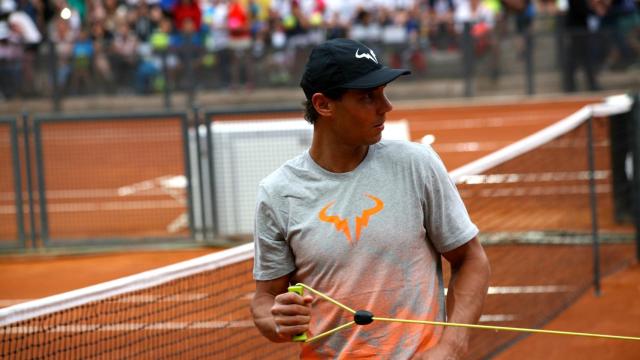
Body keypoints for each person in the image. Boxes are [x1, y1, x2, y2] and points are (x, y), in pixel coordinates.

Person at [251, 38, 491, 359]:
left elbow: (472, 259)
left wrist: (452, 345)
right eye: (367, 97)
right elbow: (265, 299)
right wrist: (276, 319)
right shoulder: (278, 192)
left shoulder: (417, 164)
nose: (386, 106)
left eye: (383, 93)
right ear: (323, 105)